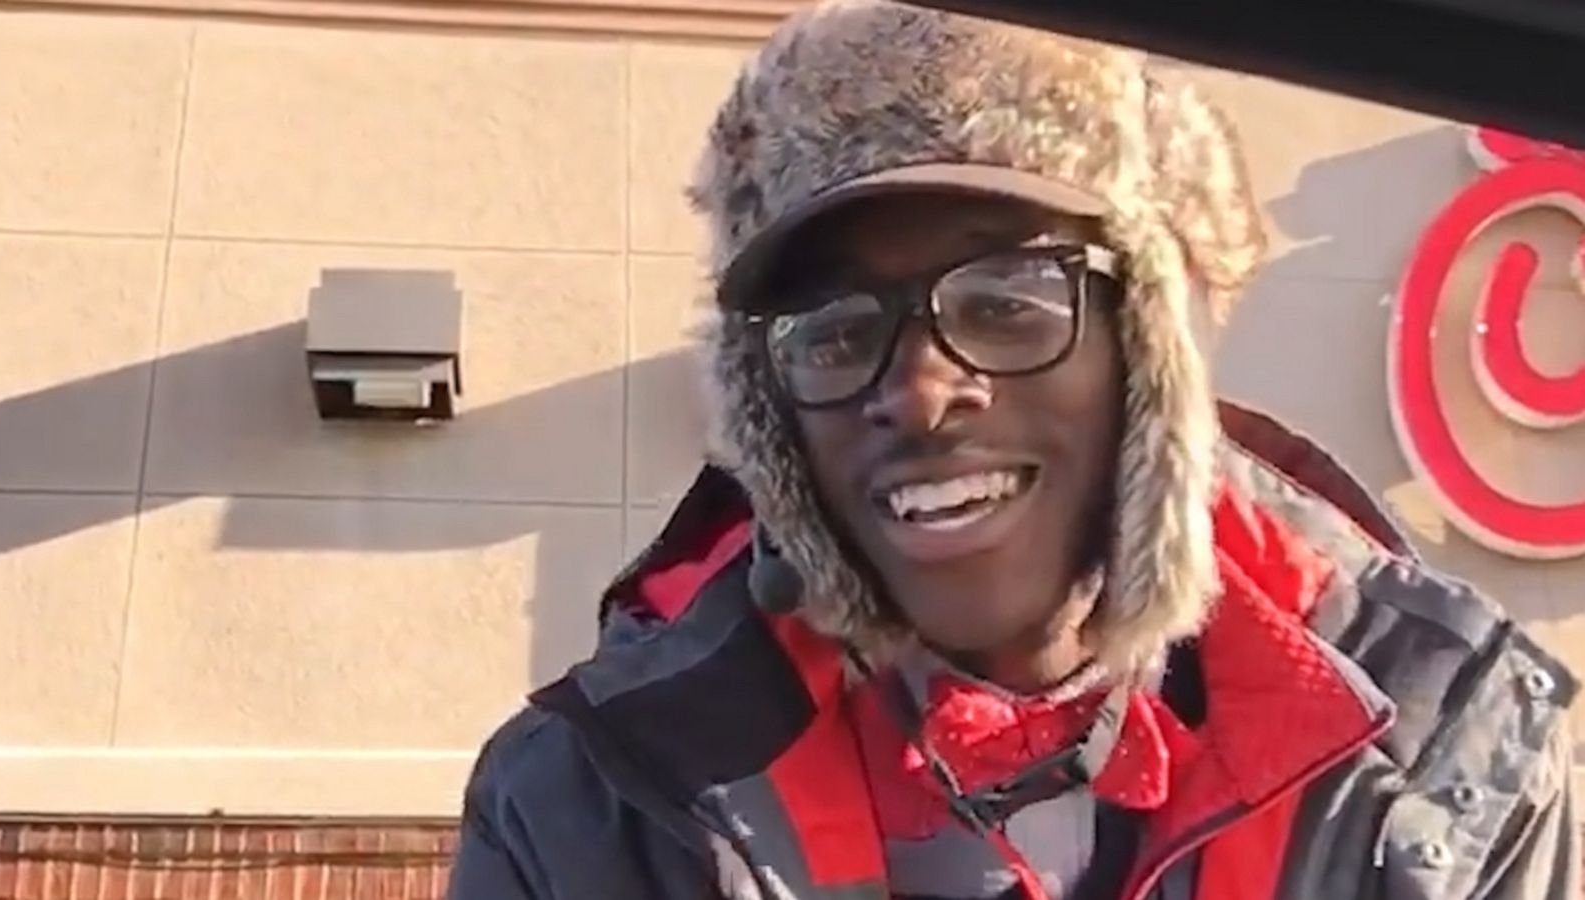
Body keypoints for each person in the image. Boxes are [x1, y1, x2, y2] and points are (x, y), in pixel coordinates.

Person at [446, 1, 1580, 897]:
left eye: (1006, 300)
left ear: (1151, 353)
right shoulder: (582, 805)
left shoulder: (1445, 752)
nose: (922, 391)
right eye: (837, 332)